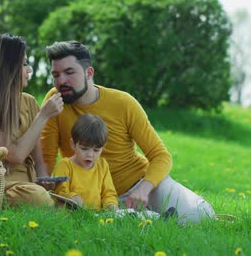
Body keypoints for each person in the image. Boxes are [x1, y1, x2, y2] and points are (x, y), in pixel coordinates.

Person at [41, 41, 215, 224]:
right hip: (93, 196)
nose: (61, 81)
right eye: (56, 75)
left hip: (140, 184)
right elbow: (47, 159)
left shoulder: (123, 103)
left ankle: (154, 215)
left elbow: (160, 156)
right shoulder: (54, 101)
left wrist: (144, 189)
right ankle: (152, 219)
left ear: (89, 73)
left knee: (200, 216)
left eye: (69, 73)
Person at [0, 33, 64, 207]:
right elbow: (14, 154)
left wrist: (46, 182)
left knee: (61, 195)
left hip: (29, 186)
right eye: (23, 64)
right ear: (7, 68)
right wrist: (43, 116)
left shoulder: (28, 102)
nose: (29, 69)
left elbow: (38, 158)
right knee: (37, 198)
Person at [53, 114, 118, 211]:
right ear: (73, 144)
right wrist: (72, 197)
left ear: (103, 148)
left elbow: (109, 193)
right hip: (72, 214)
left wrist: (110, 204)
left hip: (96, 217)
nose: (90, 155)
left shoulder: (102, 165)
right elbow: (59, 192)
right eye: (84, 149)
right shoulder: (65, 165)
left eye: (96, 150)